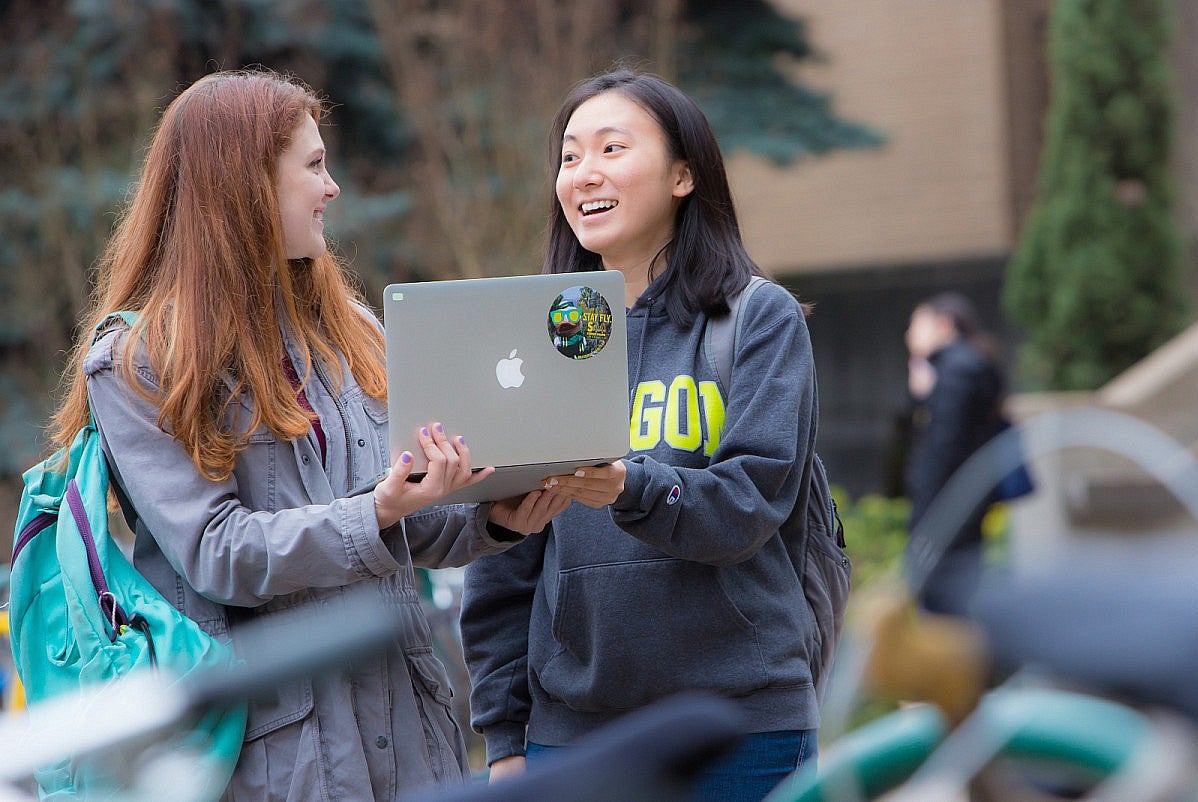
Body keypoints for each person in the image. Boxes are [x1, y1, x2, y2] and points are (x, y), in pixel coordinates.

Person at [52, 69, 567, 800]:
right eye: (315, 167)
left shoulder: (350, 330)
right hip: (283, 763)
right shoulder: (135, 362)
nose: (332, 190)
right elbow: (219, 553)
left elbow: (403, 524)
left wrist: (495, 520)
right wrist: (381, 512)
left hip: (414, 736)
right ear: (243, 184)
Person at [460, 68, 823, 802]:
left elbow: (749, 506)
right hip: (572, 739)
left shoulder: (755, 319)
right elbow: (503, 558)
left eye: (611, 149)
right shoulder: (533, 340)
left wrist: (632, 483)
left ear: (683, 174)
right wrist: (504, 736)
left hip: (741, 729)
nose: (583, 174)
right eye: (568, 157)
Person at [903, 292, 1005, 611]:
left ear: (944, 325)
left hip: (949, 507)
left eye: (917, 324)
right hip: (962, 502)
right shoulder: (965, 365)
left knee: (945, 602)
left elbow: (945, 445)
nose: (909, 334)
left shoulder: (956, 370)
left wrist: (927, 518)